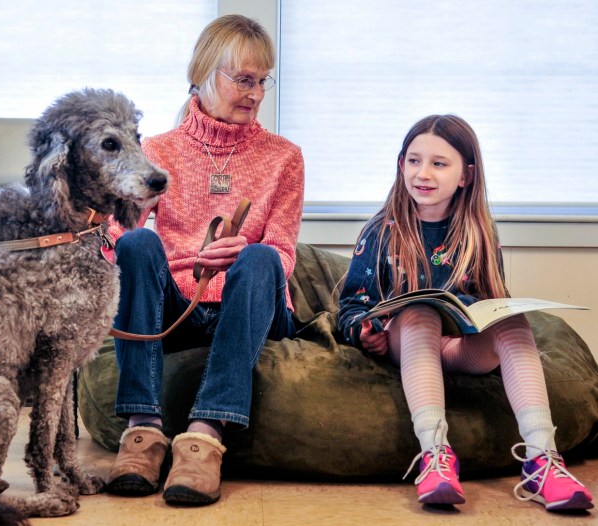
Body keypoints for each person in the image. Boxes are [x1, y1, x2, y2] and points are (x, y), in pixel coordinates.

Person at [337, 115, 593, 511]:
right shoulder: (381, 230)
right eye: (413, 161)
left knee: (513, 320)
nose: (423, 173)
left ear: (466, 176)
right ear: (400, 164)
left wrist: (485, 314)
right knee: (421, 312)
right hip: (405, 344)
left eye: (439, 164)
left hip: (459, 349)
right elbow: (352, 305)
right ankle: (436, 456)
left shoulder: (479, 232)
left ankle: (543, 460)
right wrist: (364, 330)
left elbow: (495, 299)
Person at [104, 14, 304, 506]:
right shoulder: (155, 151)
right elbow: (113, 239)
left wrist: (244, 254)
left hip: (252, 307)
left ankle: (204, 435)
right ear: (203, 73)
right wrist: (119, 229)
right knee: (137, 244)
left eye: (261, 82)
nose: (255, 94)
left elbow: (282, 252)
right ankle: (143, 431)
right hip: (180, 308)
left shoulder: (285, 157)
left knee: (260, 258)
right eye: (242, 80)